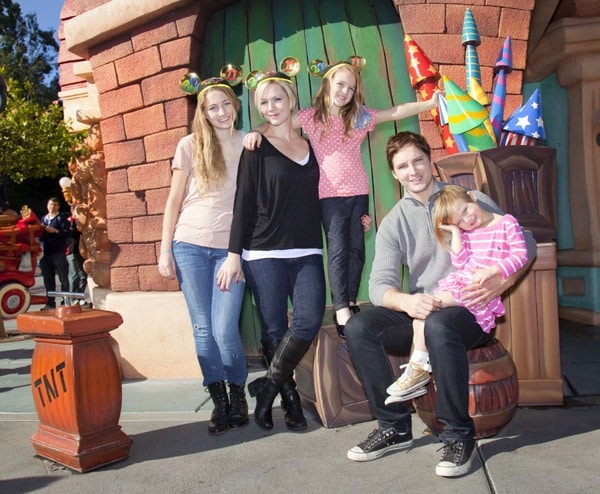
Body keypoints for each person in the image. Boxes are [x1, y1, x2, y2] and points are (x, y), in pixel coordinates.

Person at [343, 131, 536, 477]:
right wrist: (406, 301)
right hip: (424, 308)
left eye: (418, 160)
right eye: (402, 166)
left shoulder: (466, 198)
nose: (412, 170)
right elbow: (379, 285)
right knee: (359, 327)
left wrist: (500, 283)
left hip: (469, 310)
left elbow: (526, 239)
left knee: (439, 324)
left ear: (430, 160)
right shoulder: (393, 223)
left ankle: (459, 435)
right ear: (394, 173)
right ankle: (394, 427)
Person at [245, 61, 440, 337]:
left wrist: (428, 103)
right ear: (327, 84)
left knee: (356, 249)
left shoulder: (359, 117)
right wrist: (256, 131)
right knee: (338, 249)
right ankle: (340, 308)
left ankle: (349, 299)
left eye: (351, 87)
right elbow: (278, 121)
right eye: (340, 84)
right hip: (330, 195)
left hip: (359, 193)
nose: (345, 91)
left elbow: (394, 111)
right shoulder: (312, 117)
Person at [218, 71, 325, 432]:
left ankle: (267, 390)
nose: (271, 107)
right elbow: (243, 201)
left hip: (307, 248)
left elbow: (324, 192)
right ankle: (290, 398)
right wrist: (234, 254)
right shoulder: (256, 145)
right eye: (263, 102)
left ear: (291, 100)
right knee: (275, 326)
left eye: (277, 99)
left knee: (309, 319)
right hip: (262, 250)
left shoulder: (311, 143)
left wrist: (356, 216)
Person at [158, 78, 249, 436]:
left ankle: (238, 393)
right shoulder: (190, 144)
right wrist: (165, 249)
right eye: (213, 107)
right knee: (202, 329)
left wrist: (236, 254)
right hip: (189, 245)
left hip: (229, 252)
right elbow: (174, 200)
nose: (222, 112)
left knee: (225, 330)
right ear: (203, 112)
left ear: (234, 104)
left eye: (226, 104)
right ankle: (219, 400)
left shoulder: (248, 142)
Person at [385, 184, 528, 404]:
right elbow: (460, 262)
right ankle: (417, 368)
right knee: (420, 316)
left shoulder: (506, 223)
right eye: (459, 221)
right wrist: (456, 234)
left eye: (466, 210)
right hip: (462, 283)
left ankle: (417, 371)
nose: (467, 220)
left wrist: (493, 271)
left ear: (472, 198)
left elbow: (521, 255)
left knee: (427, 305)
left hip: (476, 291)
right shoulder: (468, 233)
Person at [39, 197, 71, 310]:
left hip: (58, 252)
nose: (53, 207)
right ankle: (50, 303)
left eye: (55, 205)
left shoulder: (61, 218)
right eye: (51, 204)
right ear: (47, 205)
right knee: (48, 279)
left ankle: (66, 301)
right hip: (46, 252)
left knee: (63, 278)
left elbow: (68, 233)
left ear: (58, 206)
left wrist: (56, 231)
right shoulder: (44, 218)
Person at [66, 205, 88, 304]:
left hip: (82, 251)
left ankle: (80, 296)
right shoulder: (68, 221)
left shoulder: (84, 221)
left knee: (83, 275)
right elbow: (70, 234)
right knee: (74, 275)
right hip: (71, 251)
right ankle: (73, 297)